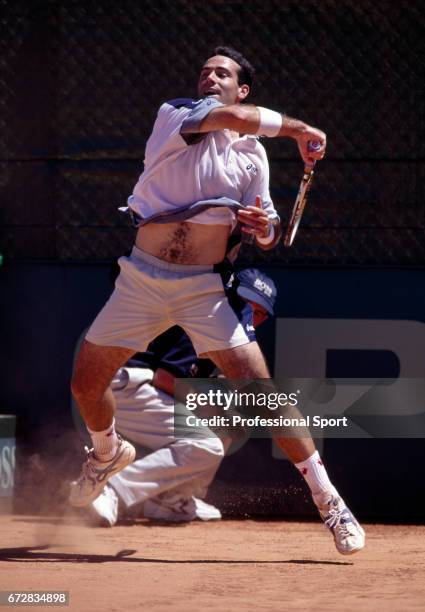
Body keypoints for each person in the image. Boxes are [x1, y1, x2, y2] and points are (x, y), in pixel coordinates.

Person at [70, 46, 364, 554]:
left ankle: (329, 502)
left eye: (221, 73)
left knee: (264, 396)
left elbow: (268, 231)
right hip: (141, 278)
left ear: (242, 86)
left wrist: (262, 228)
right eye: (205, 70)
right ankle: (106, 453)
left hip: (203, 289)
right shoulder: (177, 114)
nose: (209, 77)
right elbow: (235, 119)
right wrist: (300, 130)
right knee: (84, 384)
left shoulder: (253, 155)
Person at [88, 268, 276, 526]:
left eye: (259, 312)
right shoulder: (210, 320)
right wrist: (211, 406)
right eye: (246, 304)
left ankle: (170, 500)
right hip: (123, 389)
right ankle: (111, 489)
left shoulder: (234, 339)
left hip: (144, 390)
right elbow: (165, 378)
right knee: (206, 443)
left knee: (223, 426)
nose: (251, 315)